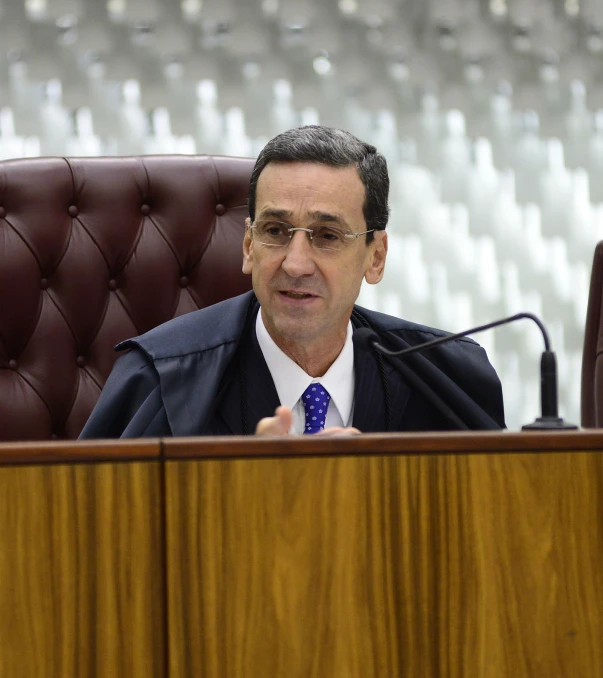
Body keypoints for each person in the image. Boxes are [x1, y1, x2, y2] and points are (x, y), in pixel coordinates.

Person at [80, 126, 504, 438]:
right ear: (248, 245)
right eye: (276, 232)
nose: (296, 264)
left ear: (375, 258)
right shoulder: (159, 382)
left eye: (327, 236)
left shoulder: (449, 380)